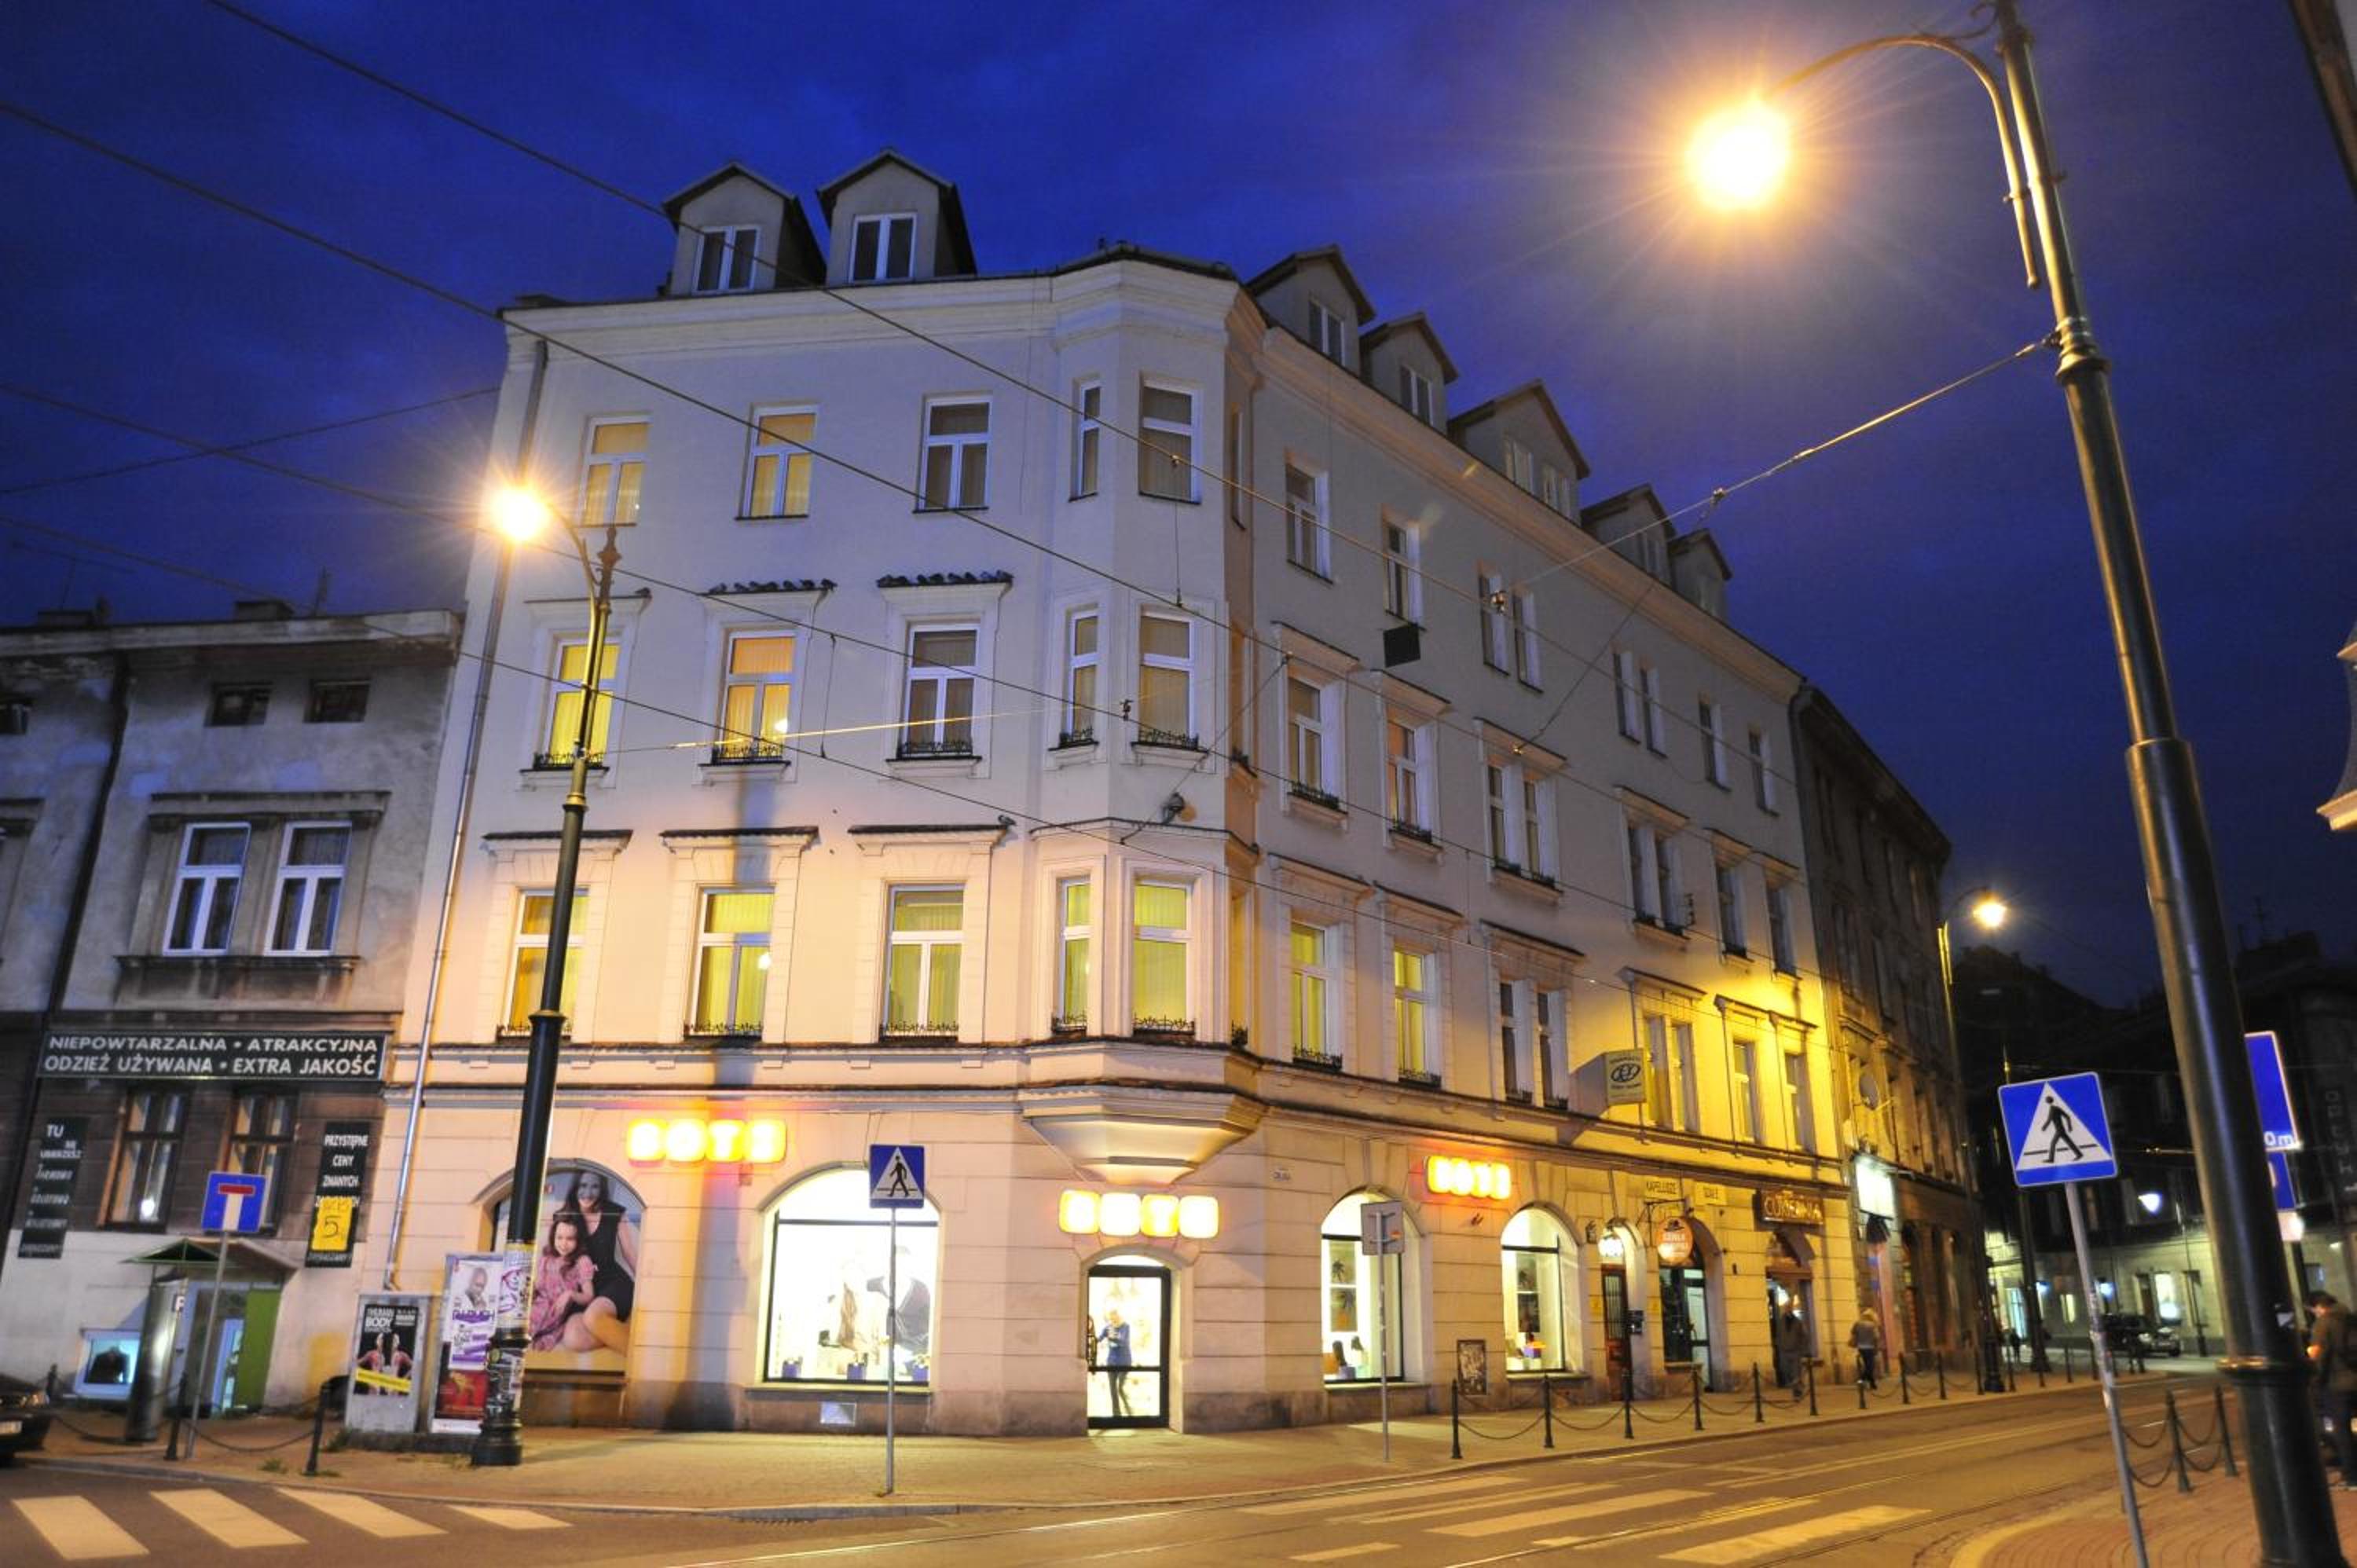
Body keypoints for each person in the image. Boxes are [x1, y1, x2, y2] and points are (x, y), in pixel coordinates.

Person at [561, 1169, 638, 1354]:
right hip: (584, 1289)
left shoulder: (614, 1212)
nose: (588, 1193)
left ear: (602, 1189)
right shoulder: (566, 1216)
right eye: (583, 1185)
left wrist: (646, 1290)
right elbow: (558, 1258)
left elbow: (629, 1253)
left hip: (614, 1283)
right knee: (573, 1339)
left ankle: (645, 1359)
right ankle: (621, 1329)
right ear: (576, 1187)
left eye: (594, 1187)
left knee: (593, 1317)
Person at [2306, 1291, 2357, 1489]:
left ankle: (2352, 1476)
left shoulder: (2324, 1324)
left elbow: (2319, 1357)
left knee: (2341, 1430)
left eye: (2313, 1310)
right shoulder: (2350, 1317)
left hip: (2337, 1384)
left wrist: (2314, 1382)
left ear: (2318, 1307)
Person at [530, 1212, 599, 1352]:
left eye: (570, 1239)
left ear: (578, 1240)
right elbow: (538, 1285)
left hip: (555, 1310)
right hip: (539, 1302)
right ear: (553, 1237)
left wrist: (570, 1294)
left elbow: (589, 1296)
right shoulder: (547, 1257)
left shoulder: (582, 1261)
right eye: (559, 1238)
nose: (563, 1244)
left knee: (535, 1317)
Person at [1098, 1309, 1132, 1416]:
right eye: (1111, 1318)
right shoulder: (1108, 1328)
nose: (1113, 1320)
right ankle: (1117, 1415)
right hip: (1111, 1362)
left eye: (1115, 1317)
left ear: (1118, 1316)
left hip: (1124, 1362)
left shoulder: (1125, 1327)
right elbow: (1098, 1339)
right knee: (1113, 1390)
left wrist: (1113, 1336)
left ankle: (1129, 1409)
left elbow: (1123, 1342)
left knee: (1120, 1388)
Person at [1776, 1306, 1809, 1401]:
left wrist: (1801, 1349)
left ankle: (1797, 1394)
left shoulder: (1798, 1322)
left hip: (1795, 1351)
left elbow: (1804, 1336)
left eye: (1789, 1308)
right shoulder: (1780, 1322)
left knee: (1796, 1374)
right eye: (1786, 1308)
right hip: (1784, 1351)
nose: (1787, 1310)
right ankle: (1799, 1386)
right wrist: (1780, 1346)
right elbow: (1778, 1335)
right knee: (1786, 1371)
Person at [1849, 1307, 1882, 1390]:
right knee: (1870, 1366)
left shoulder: (1857, 1324)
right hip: (1870, 1347)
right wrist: (1876, 1348)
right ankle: (1861, 1380)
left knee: (1868, 1365)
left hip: (1861, 1347)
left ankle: (1872, 1384)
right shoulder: (1873, 1325)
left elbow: (1852, 1332)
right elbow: (1876, 1337)